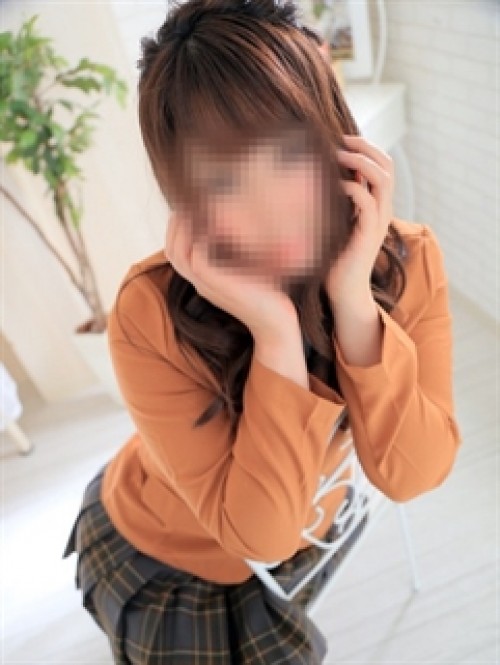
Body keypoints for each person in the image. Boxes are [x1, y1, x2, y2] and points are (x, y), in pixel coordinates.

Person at [62, 0, 463, 662]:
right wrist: (275, 332)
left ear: (337, 139)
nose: (269, 210)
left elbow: (413, 473)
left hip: (296, 521)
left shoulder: (406, 259)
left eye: (289, 154)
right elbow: (262, 536)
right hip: (164, 547)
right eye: (222, 181)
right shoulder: (150, 310)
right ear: (184, 195)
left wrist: (353, 301)